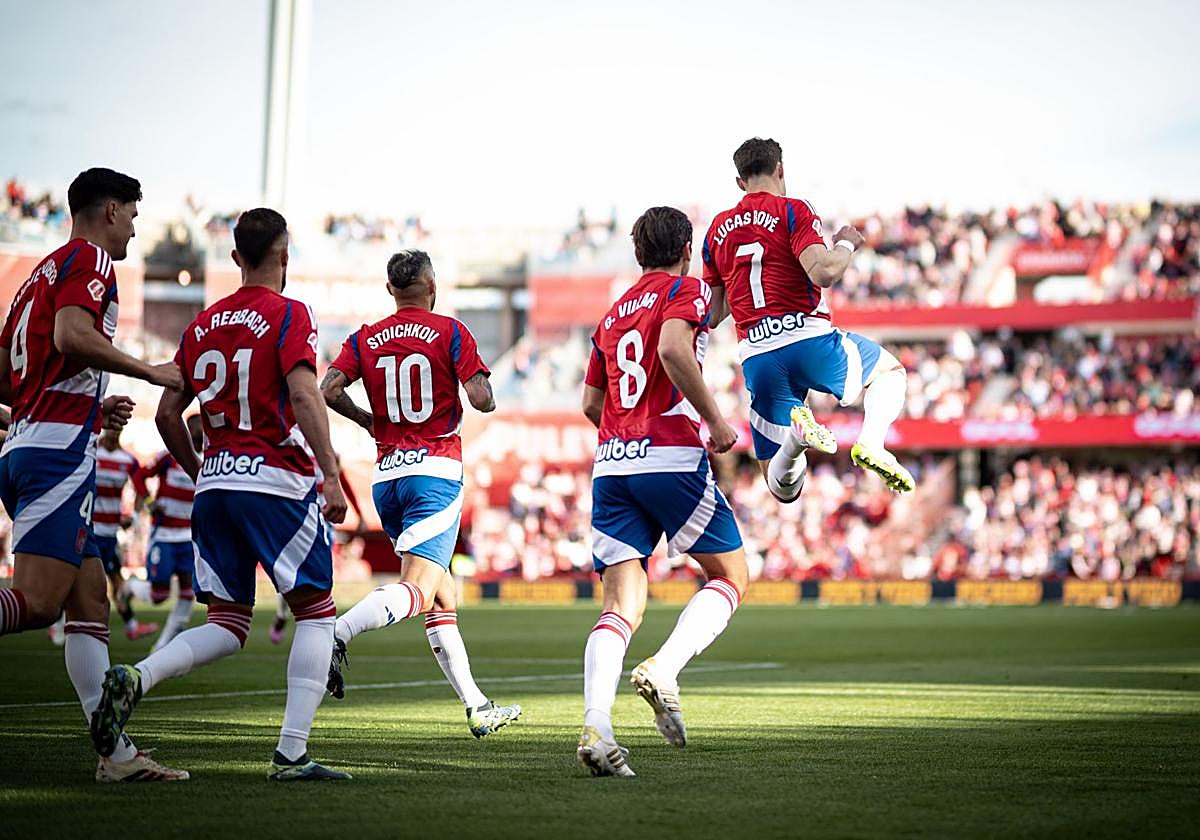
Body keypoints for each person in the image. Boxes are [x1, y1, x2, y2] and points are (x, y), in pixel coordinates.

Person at [91, 208, 351, 781]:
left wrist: (203, 468)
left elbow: (165, 413)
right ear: (284, 256)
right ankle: (291, 753)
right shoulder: (290, 314)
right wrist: (330, 475)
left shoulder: (202, 324)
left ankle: (139, 677)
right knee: (315, 612)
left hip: (216, 487)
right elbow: (306, 397)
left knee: (229, 622)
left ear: (236, 258)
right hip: (276, 481)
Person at [0, 167, 186, 782]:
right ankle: (117, 755)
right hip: (56, 455)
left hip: (32, 445)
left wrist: (80, 402)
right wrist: (148, 371)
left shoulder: (37, 276)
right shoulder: (92, 262)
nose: (134, 228)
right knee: (37, 603)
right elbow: (72, 335)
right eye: (133, 215)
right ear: (110, 211)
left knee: (89, 601)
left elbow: (11, 374)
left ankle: (116, 756)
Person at [321, 249, 521, 738]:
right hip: (435, 471)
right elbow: (482, 399)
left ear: (391, 289)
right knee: (419, 587)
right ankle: (335, 633)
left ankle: (476, 706)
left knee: (441, 595)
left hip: (387, 476)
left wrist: (369, 420)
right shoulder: (451, 331)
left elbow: (328, 388)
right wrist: (479, 387)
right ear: (432, 286)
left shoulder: (365, 337)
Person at [577, 206, 748, 777]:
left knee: (620, 607)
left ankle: (597, 727)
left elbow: (590, 405)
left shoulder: (612, 313)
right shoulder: (686, 290)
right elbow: (675, 348)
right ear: (687, 248)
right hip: (670, 454)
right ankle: (666, 668)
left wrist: (626, 433)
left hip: (612, 464)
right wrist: (717, 421)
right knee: (729, 575)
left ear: (637, 253)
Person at [702, 137, 914, 500]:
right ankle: (872, 443)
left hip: (758, 356)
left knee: (782, 489)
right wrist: (846, 243)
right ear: (781, 170)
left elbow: (713, 314)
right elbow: (823, 272)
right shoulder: (793, 210)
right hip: (809, 339)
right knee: (889, 373)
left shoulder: (716, 232)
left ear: (740, 182)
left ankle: (797, 441)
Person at [270, 461, 366, 644]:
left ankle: (321, 625)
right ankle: (283, 614)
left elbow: (341, 481)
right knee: (288, 571)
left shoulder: (329, 453)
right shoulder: (292, 444)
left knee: (322, 571)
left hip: (322, 520)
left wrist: (359, 513)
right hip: (296, 516)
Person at [131, 414, 203, 651]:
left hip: (189, 537)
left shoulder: (210, 461)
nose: (201, 432)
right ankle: (131, 587)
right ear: (188, 430)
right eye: (196, 427)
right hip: (164, 534)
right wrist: (150, 502)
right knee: (158, 596)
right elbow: (140, 475)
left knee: (187, 591)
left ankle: (163, 645)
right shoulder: (169, 457)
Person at [92, 427, 158, 641]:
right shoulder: (90, 451)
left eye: (116, 426)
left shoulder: (128, 460)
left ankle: (132, 626)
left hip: (111, 533)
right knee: (82, 580)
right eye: (109, 424)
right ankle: (59, 623)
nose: (112, 430)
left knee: (117, 582)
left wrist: (136, 517)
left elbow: (141, 488)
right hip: (88, 529)